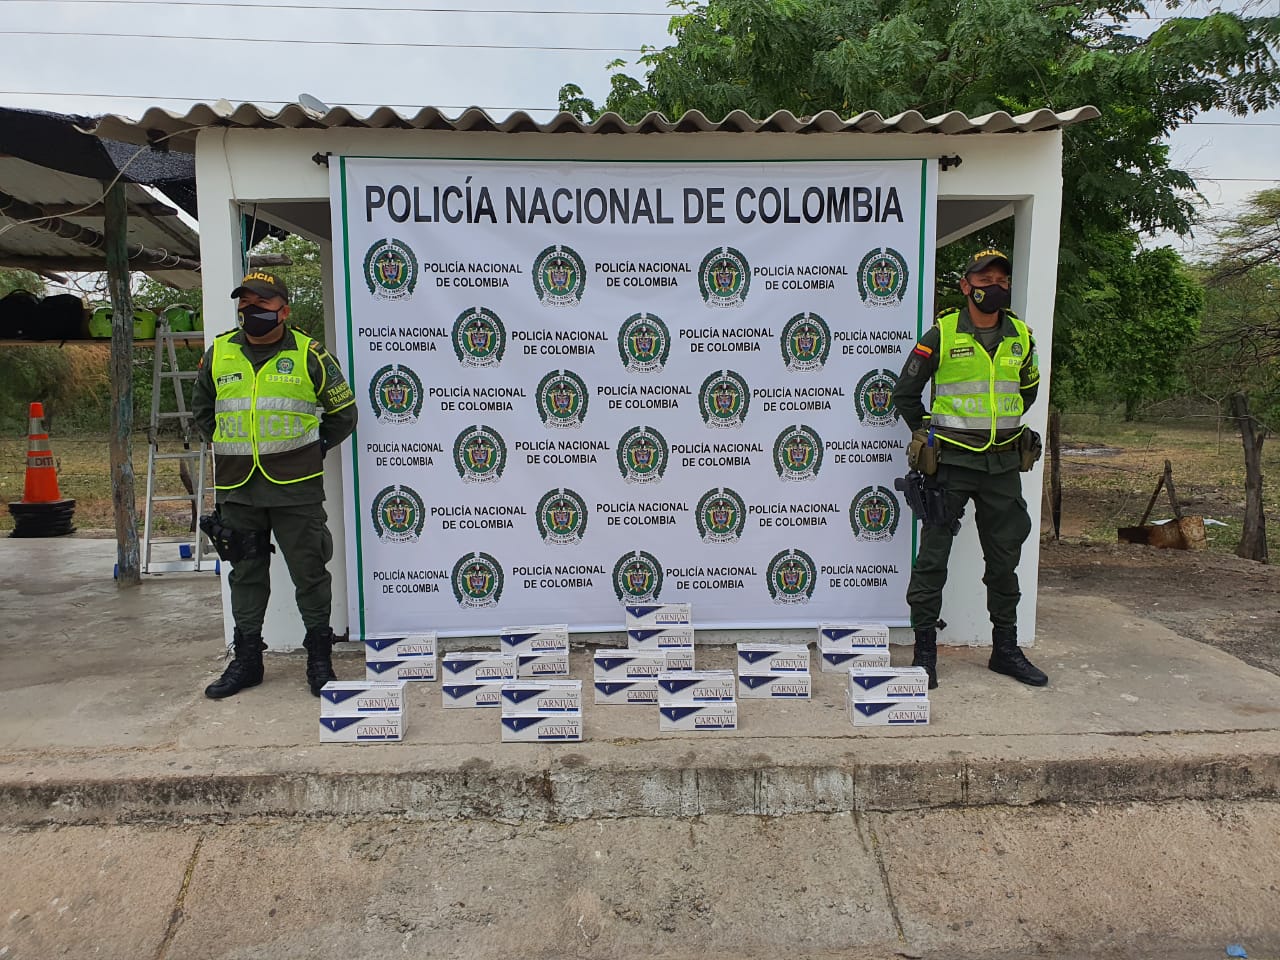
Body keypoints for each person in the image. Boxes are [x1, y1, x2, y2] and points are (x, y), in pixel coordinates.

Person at [192, 270, 358, 699]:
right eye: (245, 304)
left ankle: (319, 659)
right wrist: (232, 448)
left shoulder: (310, 354)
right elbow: (203, 411)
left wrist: (314, 449)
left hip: (295, 488)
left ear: (283, 311)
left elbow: (344, 414)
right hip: (238, 488)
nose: (251, 311)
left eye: (261, 304)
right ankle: (247, 660)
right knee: (246, 575)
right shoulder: (219, 353)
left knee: (310, 574)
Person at [890, 248, 1048, 689]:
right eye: (984, 280)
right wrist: (927, 432)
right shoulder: (941, 334)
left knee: (1004, 559)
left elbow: (1027, 390)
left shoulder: (1021, 336)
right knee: (932, 560)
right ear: (965, 286)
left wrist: (999, 425)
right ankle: (924, 653)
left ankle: (1006, 649)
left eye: (1001, 280)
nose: (994, 287)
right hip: (952, 465)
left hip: (1002, 465)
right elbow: (905, 393)